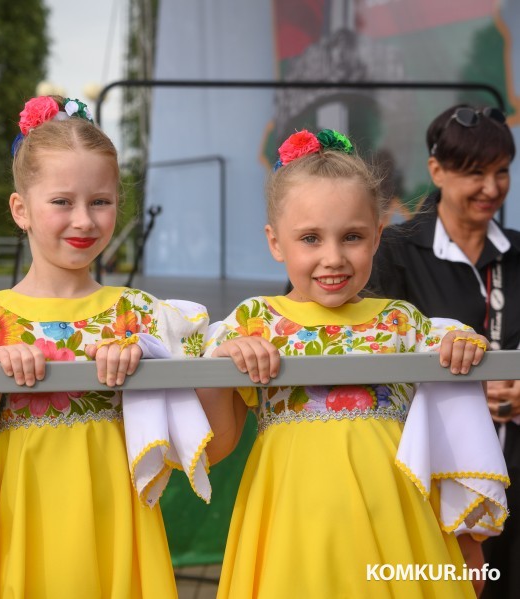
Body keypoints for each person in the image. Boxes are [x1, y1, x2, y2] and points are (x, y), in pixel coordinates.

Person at [0, 96, 213, 598]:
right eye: (62, 202)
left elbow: (209, 444)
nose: (84, 220)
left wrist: (147, 360)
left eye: (101, 201)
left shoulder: (141, 316)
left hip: (114, 519)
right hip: (18, 524)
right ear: (20, 209)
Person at [200, 129, 507, 598]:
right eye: (309, 238)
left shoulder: (404, 324)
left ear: (378, 236)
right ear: (275, 242)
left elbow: (452, 415)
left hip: (397, 525)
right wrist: (221, 365)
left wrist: (465, 345)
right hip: (292, 526)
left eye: (352, 237)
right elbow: (216, 446)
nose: (333, 257)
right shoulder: (253, 324)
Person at [369, 105, 520, 599]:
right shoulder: (391, 250)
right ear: (437, 170)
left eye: (502, 172)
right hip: (431, 473)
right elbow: (358, 347)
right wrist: (469, 388)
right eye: (474, 173)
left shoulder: (519, 252)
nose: (492, 188)